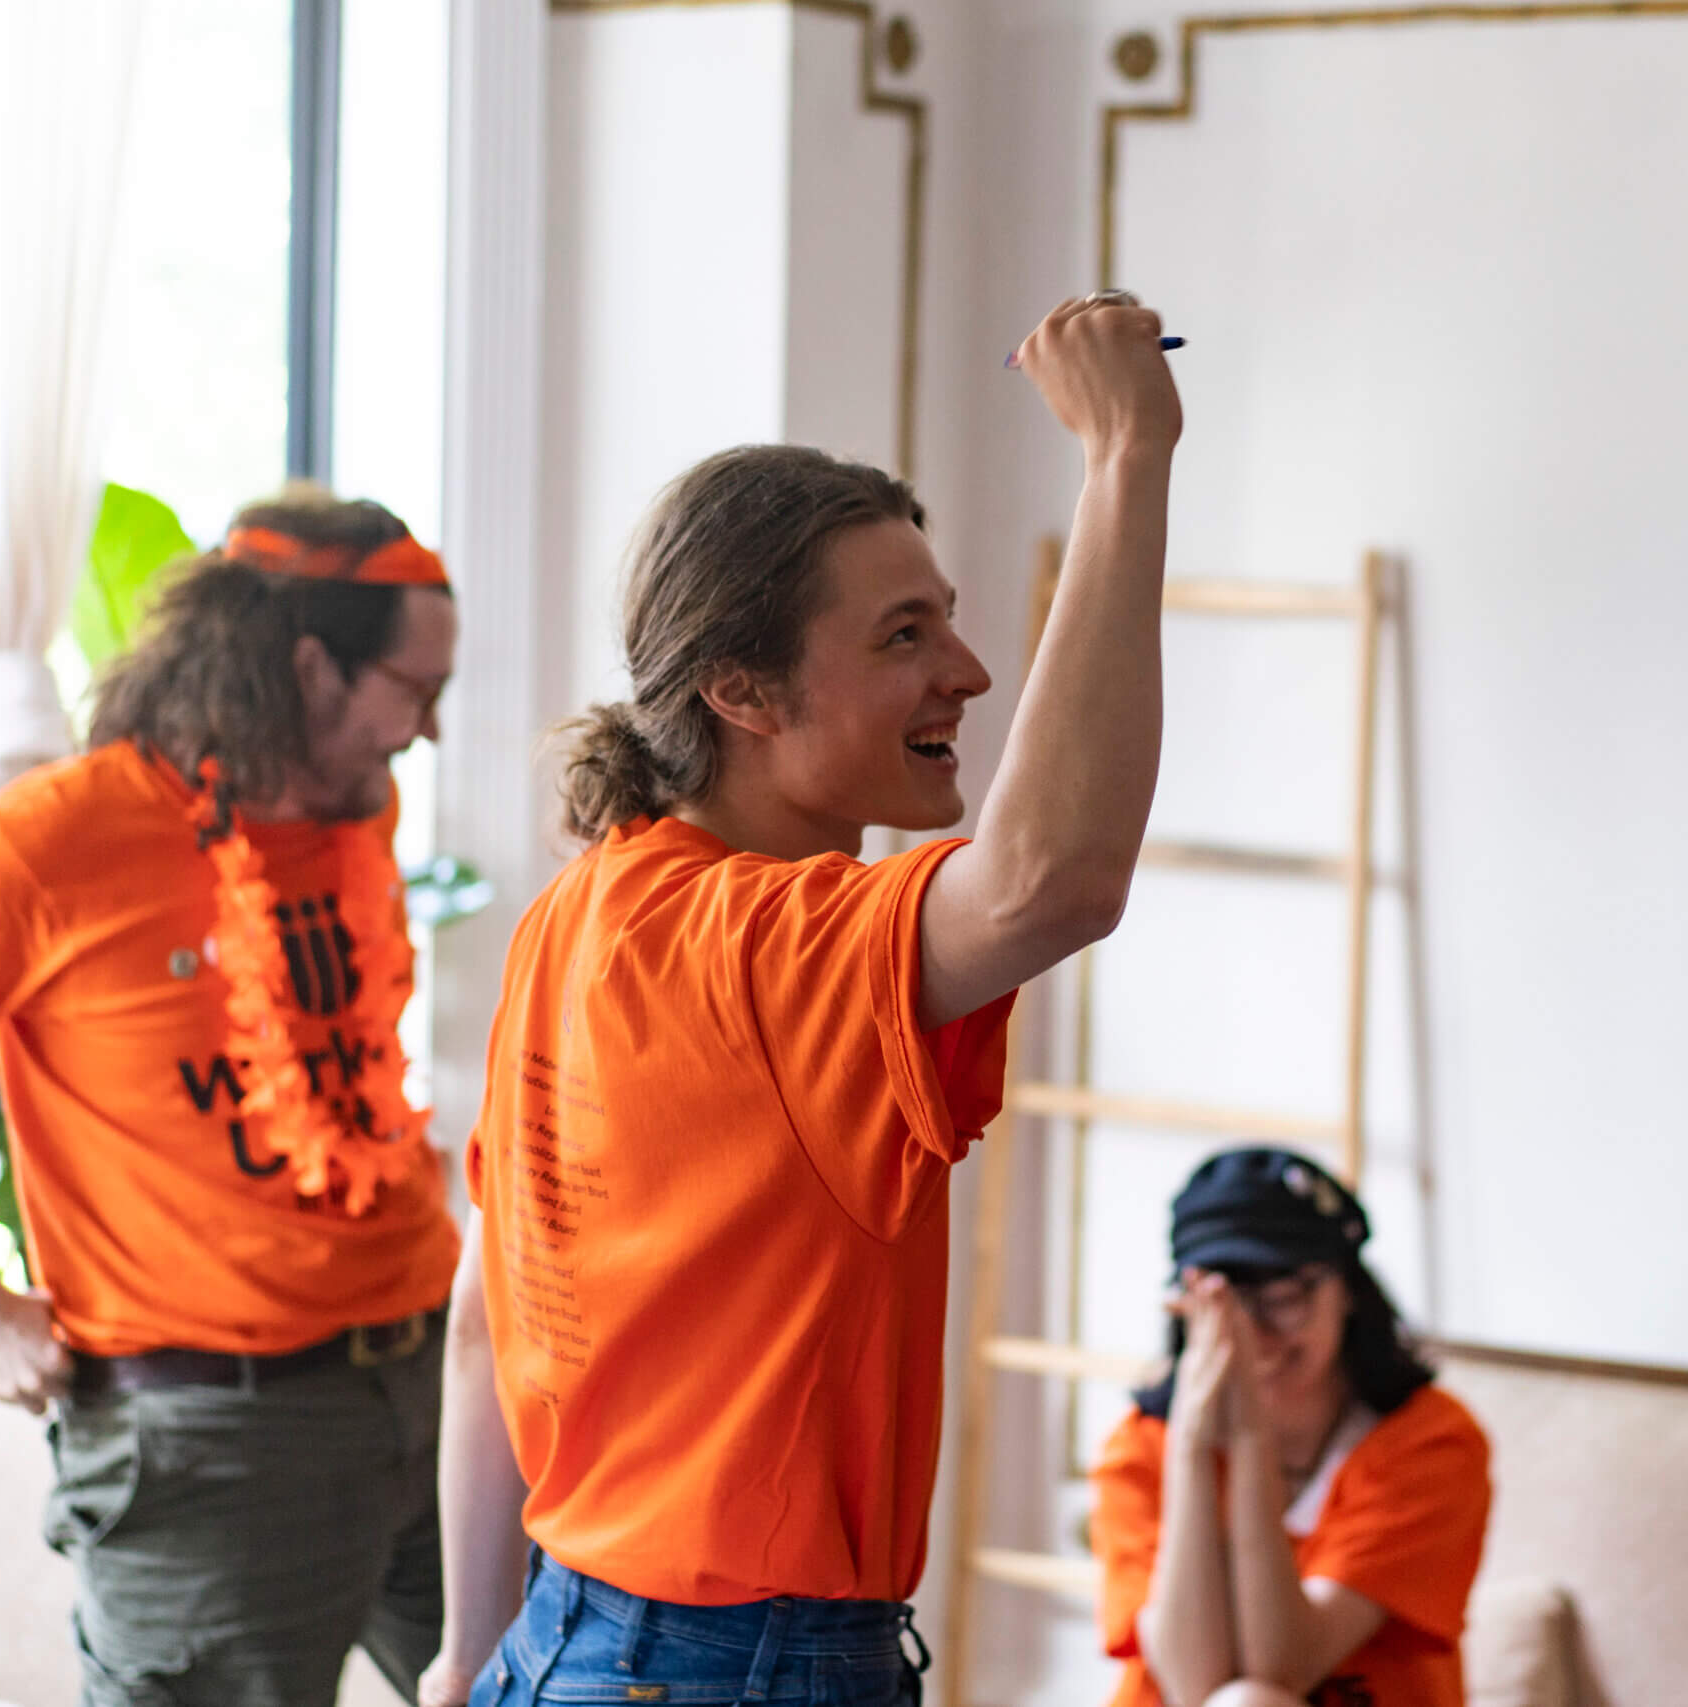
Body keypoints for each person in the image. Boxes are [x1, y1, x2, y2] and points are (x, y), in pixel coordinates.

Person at [420, 291, 1179, 1706]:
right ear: (741, 690)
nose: (968, 668)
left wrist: (473, 1649)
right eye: (903, 634)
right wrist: (1124, 455)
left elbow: (487, 1313)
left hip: (564, 1632)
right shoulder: (764, 940)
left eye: (947, 620)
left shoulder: (577, 914)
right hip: (735, 1668)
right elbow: (1051, 879)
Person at [0, 494, 460, 1704]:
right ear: (310, 667)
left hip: (439, 1384)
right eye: (414, 692)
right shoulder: (52, 842)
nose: (429, 732)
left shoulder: (358, 810)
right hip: (210, 1442)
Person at [1089, 1147, 1491, 1707]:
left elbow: (1285, 1666)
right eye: (1222, 1300)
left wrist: (1249, 1437)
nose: (1254, 1334)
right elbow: (1189, 1681)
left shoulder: (1429, 1440)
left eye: (1285, 1295)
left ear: (1347, 1288)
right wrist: (1191, 1448)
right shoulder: (1140, 1449)